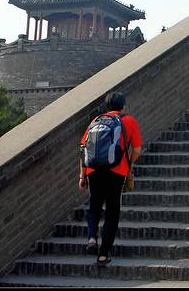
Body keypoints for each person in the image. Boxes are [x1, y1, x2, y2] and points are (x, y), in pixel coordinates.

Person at [78, 91, 142, 267]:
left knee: (94, 207)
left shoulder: (96, 121)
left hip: (93, 170)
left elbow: (83, 149)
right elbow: (137, 149)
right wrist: (128, 163)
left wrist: (82, 175)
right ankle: (103, 255)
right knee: (112, 212)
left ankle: (92, 238)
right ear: (123, 106)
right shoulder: (128, 120)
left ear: (107, 106)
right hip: (117, 171)